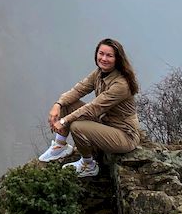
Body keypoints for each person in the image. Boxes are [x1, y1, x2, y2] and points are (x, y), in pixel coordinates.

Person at [37, 38, 141, 177]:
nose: (103, 58)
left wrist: (63, 121)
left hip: (124, 134)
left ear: (118, 59)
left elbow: (93, 108)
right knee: (68, 103)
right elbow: (78, 90)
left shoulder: (121, 85)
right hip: (105, 123)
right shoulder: (99, 73)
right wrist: (58, 104)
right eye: (101, 53)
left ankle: (88, 165)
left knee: (77, 127)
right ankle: (60, 146)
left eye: (109, 55)